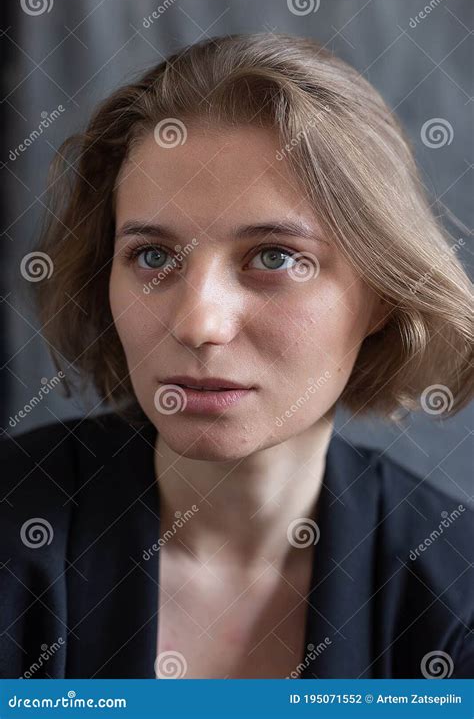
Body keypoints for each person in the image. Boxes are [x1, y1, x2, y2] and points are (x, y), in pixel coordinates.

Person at [1, 33, 472, 679]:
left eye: (274, 257)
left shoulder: (458, 596)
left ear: (383, 294)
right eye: (153, 257)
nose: (198, 324)